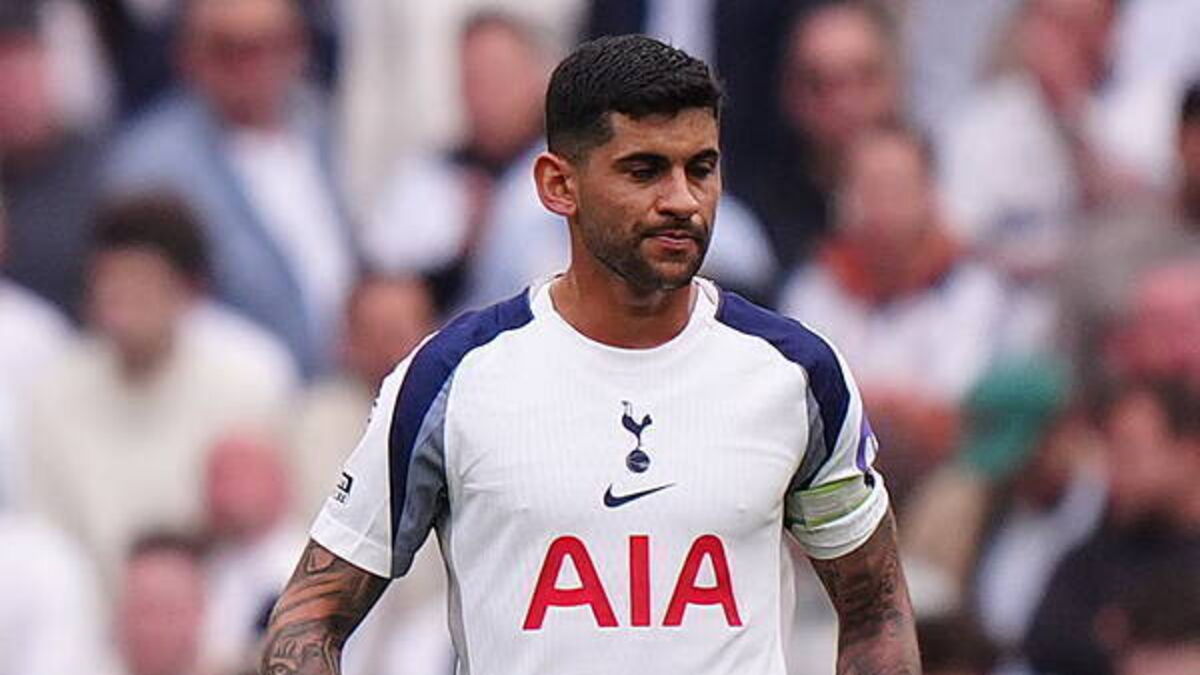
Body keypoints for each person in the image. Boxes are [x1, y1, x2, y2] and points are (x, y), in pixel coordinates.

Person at [261, 35, 917, 675]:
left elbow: (876, 613)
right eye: (644, 170)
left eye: (701, 168)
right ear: (558, 185)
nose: (682, 200)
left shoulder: (796, 374)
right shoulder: (450, 379)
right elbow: (306, 623)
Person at [104, 0, 356, 378]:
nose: (251, 66)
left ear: (299, 48)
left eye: (270, 45)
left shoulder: (323, 126)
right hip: (233, 388)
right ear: (188, 56)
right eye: (228, 49)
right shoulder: (150, 165)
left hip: (349, 383)